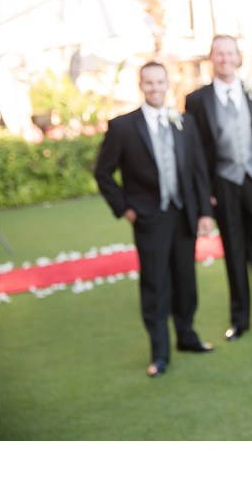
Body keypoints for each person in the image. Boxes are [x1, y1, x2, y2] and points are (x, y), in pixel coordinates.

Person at [94, 61, 215, 377]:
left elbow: (199, 170)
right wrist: (126, 208)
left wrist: (204, 211)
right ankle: (159, 352)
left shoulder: (184, 122)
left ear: (168, 84)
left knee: (185, 281)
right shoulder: (123, 127)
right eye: (149, 83)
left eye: (160, 82)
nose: (155, 88)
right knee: (155, 284)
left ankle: (187, 336)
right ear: (140, 86)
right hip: (149, 217)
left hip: (184, 213)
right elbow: (103, 173)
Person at [185, 35, 252, 340]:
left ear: (238, 57)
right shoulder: (196, 100)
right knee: (233, 251)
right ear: (211, 58)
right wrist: (206, 192)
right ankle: (240, 319)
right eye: (219, 54)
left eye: (230, 53)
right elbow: (195, 154)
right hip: (224, 184)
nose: (225, 59)